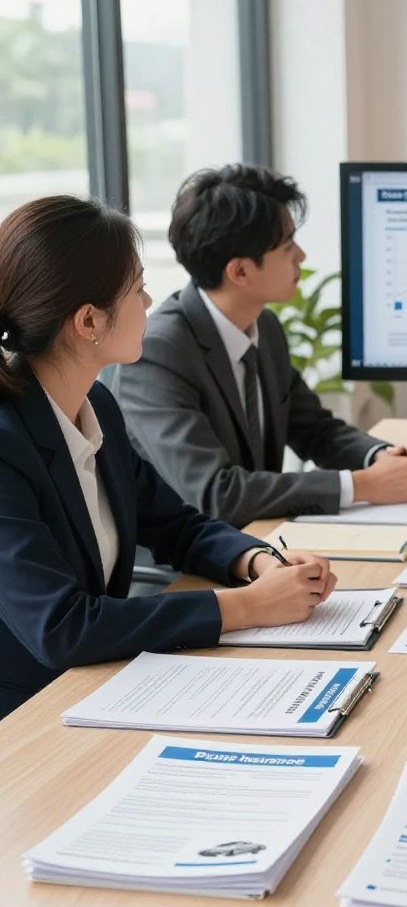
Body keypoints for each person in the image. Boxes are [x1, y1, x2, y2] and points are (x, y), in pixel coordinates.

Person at [0, 196, 338, 718]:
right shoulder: (6, 443)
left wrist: (256, 562)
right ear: (89, 321)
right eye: (137, 289)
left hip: (99, 688)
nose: (151, 300)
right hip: (28, 718)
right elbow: (61, 628)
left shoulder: (97, 407)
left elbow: (176, 525)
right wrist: (246, 608)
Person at [110, 164, 407, 528]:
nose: (301, 257)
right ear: (240, 272)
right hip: (190, 566)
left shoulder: (262, 325)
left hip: (261, 542)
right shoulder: (159, 353)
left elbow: (315, 430)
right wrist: (362, 485)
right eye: (287, 246)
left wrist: (382, 456)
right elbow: (217, 494)